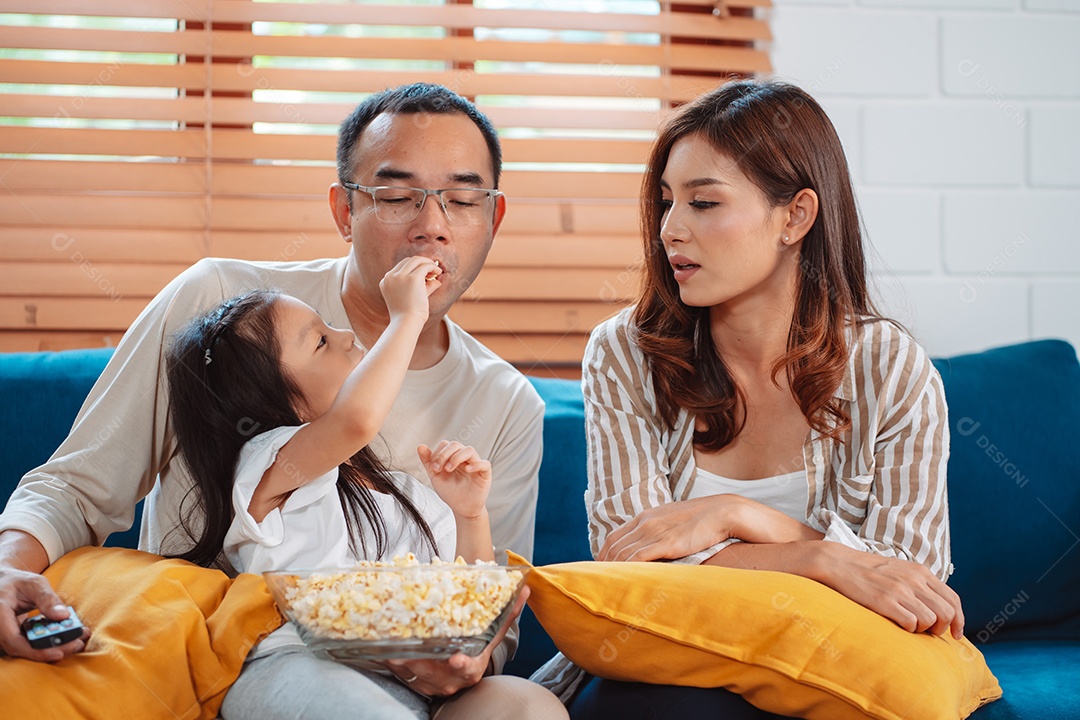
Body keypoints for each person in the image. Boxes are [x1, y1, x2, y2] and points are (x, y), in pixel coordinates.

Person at [0, 84, 554, 711]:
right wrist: (5, 570)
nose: (433, 227)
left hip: (406, 677)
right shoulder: (229, 313)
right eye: (397, 197)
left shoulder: (508, 400)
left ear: (493, 218)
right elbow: (75, 487)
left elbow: (492, 613)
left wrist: (460, 655)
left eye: (461, 199)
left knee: (526, 705)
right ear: (345, 210)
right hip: (239, 659)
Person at [536, 80, 965, 719]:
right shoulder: (625, 352)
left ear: (795, 216)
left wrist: (736, 515)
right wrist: (819, 557)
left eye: (704, 202)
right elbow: (632, 561)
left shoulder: (890, 368)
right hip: (664, 671)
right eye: (666, 203)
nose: (669, 230)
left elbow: (911, 584)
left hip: (835, 670)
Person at [163, 258, 562, 719]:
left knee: (529, 705)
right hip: (299, 666)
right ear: (268, 399)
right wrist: (408, 317)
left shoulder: (404, 494)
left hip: (416, 686)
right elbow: (355, 421)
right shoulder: (270, 467)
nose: (347, 336)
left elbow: (465, 600)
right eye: (320, 341)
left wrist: (470, 514)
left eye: (332, 326)